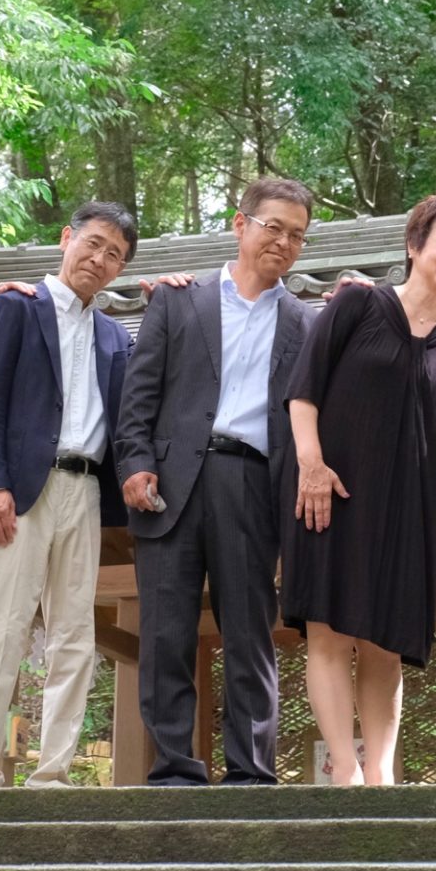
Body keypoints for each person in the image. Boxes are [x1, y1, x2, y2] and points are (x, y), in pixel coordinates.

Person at [115, 178, 316, 786]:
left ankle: (252, 770)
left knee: (250, 631)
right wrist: (133, 462)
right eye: (273, 226)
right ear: (240, 224)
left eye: (297, 235)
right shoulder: (179, 301)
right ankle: (174, 766)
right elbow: (138, 395)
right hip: (170, 482)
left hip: (254, 482)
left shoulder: (306, 322)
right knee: (166, 628)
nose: (283, 241)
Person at [281, 191, 436, 786]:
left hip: (409, 510)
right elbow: (303, 390)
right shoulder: (356, 305)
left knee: (385, 643)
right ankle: (342, 768)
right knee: (328, 630)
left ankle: (381, 774)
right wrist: (311, 466)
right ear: (416, 244)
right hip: (333, 493)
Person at [0, 201, 137, 788]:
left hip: (84, 491)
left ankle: (53, 772)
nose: (100, 259)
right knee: (1, 625)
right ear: (67, 239)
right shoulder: (16, 306)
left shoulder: (114, 333)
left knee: (75, 634)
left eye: (115, 255)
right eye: (93, 244)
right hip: (18, 491)